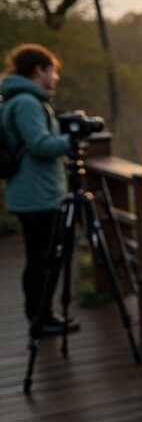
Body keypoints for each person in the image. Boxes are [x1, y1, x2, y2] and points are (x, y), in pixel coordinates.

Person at [1, 44, 79, 334]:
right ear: (39, 70)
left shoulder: (20, 99)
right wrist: (73, 140)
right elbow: (40, 144)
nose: (56, 77)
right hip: (36, 194)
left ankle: (42, 315)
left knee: (41, 256)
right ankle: (39, 318)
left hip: (33, 191)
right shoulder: (26, 103)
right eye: (53, 70)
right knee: (42, 257)